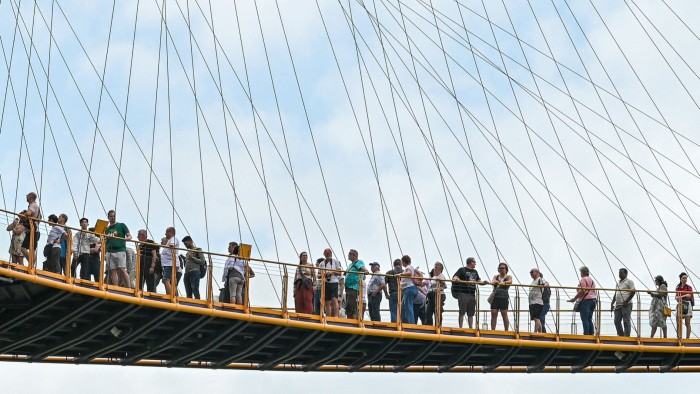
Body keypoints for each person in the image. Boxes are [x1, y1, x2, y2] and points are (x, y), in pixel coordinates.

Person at [452, 257, 487, 328]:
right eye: (474, 262)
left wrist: (483, 283)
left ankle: (470, 327)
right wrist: (457, 278)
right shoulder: (462, 270)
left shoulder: (475, 271)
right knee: (462, 311)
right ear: (471, 262)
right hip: (463, 293)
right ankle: (460, 326)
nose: (475, 264)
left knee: (471, 312)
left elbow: (478, 280)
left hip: (472, 294)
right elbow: (455, 277)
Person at [105, 210, 132, 288]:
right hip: (110, 251)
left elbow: (129, 235)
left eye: (114, 216)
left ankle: (129, 287)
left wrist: (129, 238)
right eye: (111, 216)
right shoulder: (107, 229)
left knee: (122, 269)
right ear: (108, 217)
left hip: (120, 250)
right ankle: (115, 287)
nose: (113, 218)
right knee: (112, 270)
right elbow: (106, 240)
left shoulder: (121, 225)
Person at [568, 266, 597, 335]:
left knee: (584, 319)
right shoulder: (592, 280)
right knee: (589, 318)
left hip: (586, 301)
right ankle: (591, 333)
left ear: (582, 273)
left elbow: (582, 291)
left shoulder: (583, 279)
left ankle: (586, 334)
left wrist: (575, 298)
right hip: (593, 300)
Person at [344, 249, 369, 319]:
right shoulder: (350, 265)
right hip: (349, 287)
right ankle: (350, 317)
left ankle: (352, 318)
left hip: (354, 287)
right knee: (349, 303)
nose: (348, 256)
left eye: (349, 254)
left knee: (351, 303)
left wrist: (366, 270)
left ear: (353, 255)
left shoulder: (358, 262)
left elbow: (362, 267)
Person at [611, 268, 635, 337]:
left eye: (621, 273)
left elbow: (633, 291)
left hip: (626, 304)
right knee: (616, 321)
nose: (620, 274)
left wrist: (627, 301)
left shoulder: (629, 282)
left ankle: (627, 336)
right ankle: (621, 335)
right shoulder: (618, 283)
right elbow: (616, 293)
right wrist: (612, 303)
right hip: (618, 304)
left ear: (626, 274)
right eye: (619, 273)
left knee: (626, 321)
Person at [321, 248, 344, 318]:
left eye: (329, 253)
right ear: (324, 254)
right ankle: (328, 316)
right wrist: (325, 274)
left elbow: (340, 273)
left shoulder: (336, 261)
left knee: (334, 299)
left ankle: (336, 316)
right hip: (326, 283)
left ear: (331, 254)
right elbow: (318, 275)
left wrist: (332, 272)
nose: (327, 254)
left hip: (334, 282)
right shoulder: (322, 263)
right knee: (327, 301)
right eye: (326, 253)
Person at [20, 192, 42, 263]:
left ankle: (31, 263)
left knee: (23, 248)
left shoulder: (32, 205)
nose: (26, 197)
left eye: (27, 196)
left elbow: (29, 213)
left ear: (30, 197)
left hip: (32, 230)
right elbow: (40, 217)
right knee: (32, 249)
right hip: (35, 230)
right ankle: (32, 264)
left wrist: (23, 214)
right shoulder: (36, 206)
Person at [490, 262, 512, 330]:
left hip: (504, 297)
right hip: (495, 297)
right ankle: (493, 330)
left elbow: (510, 281)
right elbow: (493, 281)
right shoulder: (496, 276)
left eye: (503, 268)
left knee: (504, 314)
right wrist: (496, 282)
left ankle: (506, 330)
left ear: (506, 269)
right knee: (494, 313)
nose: (501, 269)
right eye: (500, 268)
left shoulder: (508, 276)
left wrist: (503, 283)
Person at [425, 262, 447, 326]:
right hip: (431, 295)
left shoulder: (441, 276)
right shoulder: (434, 277)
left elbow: (444, 285)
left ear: (440, 269)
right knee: (428, 311)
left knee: (437, 310)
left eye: (436, 267)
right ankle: (429, 325)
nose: (434, 269)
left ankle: (438, 325)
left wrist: (440, 281)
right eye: (434, 267)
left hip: (438, 294)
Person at [159, 227, 179, 295]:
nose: (165, 234)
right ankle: (175, 295)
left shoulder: (173, 239)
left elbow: (173, 244)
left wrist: (171, 245)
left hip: (170, 263)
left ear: (170, 232)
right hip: (169, 263)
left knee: (165, 280)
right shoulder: (171, 239)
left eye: (166, 233)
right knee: (172, 281)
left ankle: (170, 296)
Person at [399, 255, 418, 324]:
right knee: (404, 307)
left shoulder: (409, 267)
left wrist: (400, 274)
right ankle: (405, 322)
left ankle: (411, 324)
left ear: (404, 262)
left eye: (402, 262)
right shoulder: (408, 267)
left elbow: (409, 273)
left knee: (408, 307)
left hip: (409, 288)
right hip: (407, 289)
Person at [676, 272, 694, 339]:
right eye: (683, 278)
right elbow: (677, 298)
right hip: (680, 304)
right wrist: (684, 295)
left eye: (686, 278)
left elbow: (689, 296)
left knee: (687, 323)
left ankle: (687, 338)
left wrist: (681, 296)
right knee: (678, 323)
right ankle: (679, 338)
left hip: (687, 304)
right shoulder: (678, 288)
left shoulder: (689, 287)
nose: (685, 279)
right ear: (680, 279)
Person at [386, 259, 403, 323]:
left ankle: (394, 325)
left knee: (393, 311)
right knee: (402, 310)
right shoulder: (404, 272)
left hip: (393, 293)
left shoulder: (389, 273)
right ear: (401, 265)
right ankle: (402, 325)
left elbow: (384, 284)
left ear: (394, 265)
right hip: (402, 293)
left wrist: (386, 294)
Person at [528, 267, 544, 333]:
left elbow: (545, 283)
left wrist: (544, 285)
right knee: (536, 318)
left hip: (537, 302)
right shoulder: (533, 281)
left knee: (536, 318)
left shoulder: (539, 279)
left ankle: (535, 332)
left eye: (532, 272)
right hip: (533, 302)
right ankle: (540, 332)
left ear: (537, 273)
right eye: (530, 272)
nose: (531, 273)